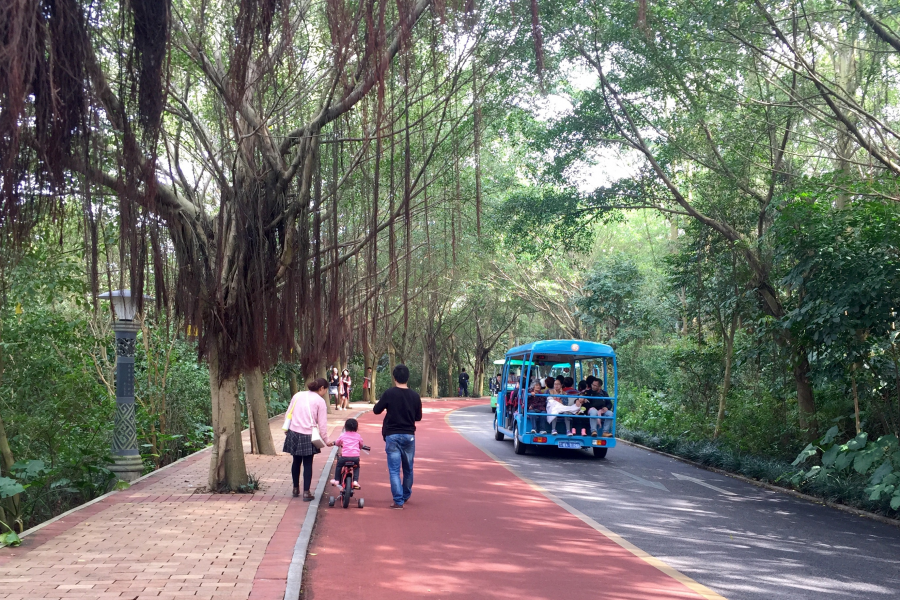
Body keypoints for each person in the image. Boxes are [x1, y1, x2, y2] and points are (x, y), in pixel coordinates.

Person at [373, 364, 422, 509]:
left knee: (394, 470)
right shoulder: (415, 396)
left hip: (392, 435)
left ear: (394, 378)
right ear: (408, 378)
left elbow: (376, 410)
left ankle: (398, 501)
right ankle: (405, 495)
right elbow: (418, 417)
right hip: (409, 436)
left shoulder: (389, 393)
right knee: (408, 468)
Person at [283, 378, 332, 501]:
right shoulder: (320, 401)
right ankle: (306, 492)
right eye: (326, 390)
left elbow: (288, 413)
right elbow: (322, 424)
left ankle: (295, 488)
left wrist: (287, 429)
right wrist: (326, 440)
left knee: (296, 461)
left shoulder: (298, 395)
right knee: (308, 464)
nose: (325, 392)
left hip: (294, 432)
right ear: (321, 388)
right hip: (308, 435)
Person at [331, 418, 364, 490]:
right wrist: (360, 447)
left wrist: (335, 443)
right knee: (356, 467)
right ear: (356, 427)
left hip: (345, 457)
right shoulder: (358, 436)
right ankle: (355, 481)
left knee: (339, 465)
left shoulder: (343, 435)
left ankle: (337, 480)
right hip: (355, 457)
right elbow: (361, 444)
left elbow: (337, 442)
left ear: (345, 427)